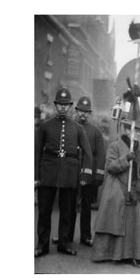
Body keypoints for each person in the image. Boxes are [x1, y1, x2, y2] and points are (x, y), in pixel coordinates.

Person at [35, 88, 93, 257]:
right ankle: (42, 245)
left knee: (67, 212)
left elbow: (87, 152)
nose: (62, 107)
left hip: (69, 174)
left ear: (69, 107)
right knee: (44, 211)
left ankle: (64, 243)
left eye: (65, 105)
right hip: (48, 173)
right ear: (55, 105)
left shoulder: (77, 128)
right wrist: (36, 177)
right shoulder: (45, 127)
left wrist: (84, 175)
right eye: (59, 104)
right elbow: (36, 152)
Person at [91, 114, 140, 268]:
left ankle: (133, 255)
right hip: (118, 189)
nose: (135, 134)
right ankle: (114, 254)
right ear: (126, 130)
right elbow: (110, 167)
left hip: (135, 191)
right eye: (132, 130)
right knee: (117, 221)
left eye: (138, 131)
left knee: (133, 224)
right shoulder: (115, 145)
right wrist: (125, 160)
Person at [67, 96, 106, 247]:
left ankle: (85, 236)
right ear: (76, 111)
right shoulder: (70, 127)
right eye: (80, 111)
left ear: (90, 113)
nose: (83, 114)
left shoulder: (95, 132)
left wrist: (97, 177)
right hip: (71, 173)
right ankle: (66, 236)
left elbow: (101, 155)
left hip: (88, 176)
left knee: (86, 207)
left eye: (86, 112)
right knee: (68, 206)